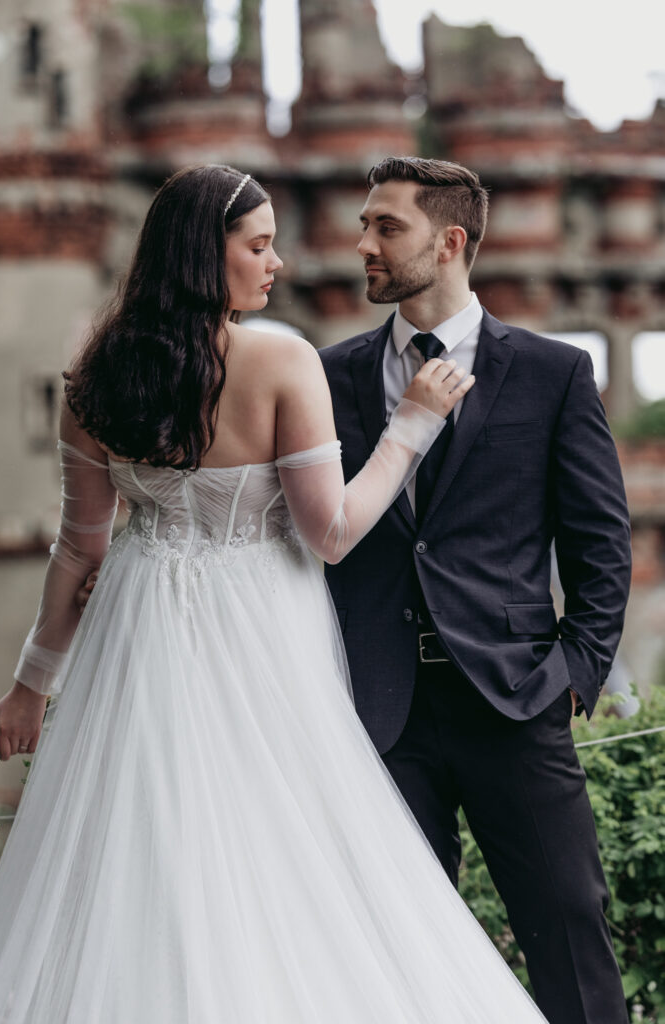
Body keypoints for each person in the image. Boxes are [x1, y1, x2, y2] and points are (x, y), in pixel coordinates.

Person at [0, 164, 551, 1024]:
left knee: (140, 848)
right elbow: (329, 533)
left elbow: (78, 550)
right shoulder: (280, 359)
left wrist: (32, 683)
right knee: (287, 846)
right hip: (260, 632)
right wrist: (412, 424)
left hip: (135, 630)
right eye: (258, 246)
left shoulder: (94, 375)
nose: (277, 264)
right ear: (203, 255)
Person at [318, 156, 632, 1024]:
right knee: (395, 947)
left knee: (569, 926)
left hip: (514, 698)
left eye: (387, 227)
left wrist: (575, 670)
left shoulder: (552, 371)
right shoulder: (329, 375)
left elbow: (601, 539)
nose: (363, 244)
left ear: (450, 242)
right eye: (364, 225)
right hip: (379, 709)